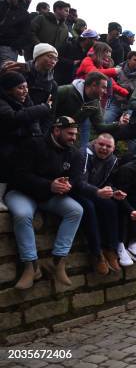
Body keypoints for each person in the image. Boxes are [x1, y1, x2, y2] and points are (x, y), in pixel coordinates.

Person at [5, 116, 85, 289]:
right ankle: (31, 266)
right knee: (22, 214)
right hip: (22, 193)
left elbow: (78, 178)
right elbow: (19, 175)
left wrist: (68, 185)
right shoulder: (33, 145)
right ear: (56, 131)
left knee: (76, 210)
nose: (74, 138)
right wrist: (49, 184)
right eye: (70, 133)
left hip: (48, 197)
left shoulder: (75, 153)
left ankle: (57, 261)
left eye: (75, 134)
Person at [74, 133, 127, 274]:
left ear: (113, 148)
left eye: (108, 146)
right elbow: (78, 183)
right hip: (77, 192)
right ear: (95, 143)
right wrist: (98, 192)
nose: (104, 148)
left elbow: (109, 181)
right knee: (89, 208)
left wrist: (113, 191)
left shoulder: (113, 160)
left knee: (111, 205)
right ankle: (96, 253)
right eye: (101, 144)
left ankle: (110, 249)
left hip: (96, 192)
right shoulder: (83, 154)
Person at [0, 72, 52, 210]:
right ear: (9, 89)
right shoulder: (2, 101)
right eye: (21, 88)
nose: (25, 91)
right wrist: (43, 108)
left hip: (20, 141)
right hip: (5, 142)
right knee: (6, 155)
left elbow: (33, 122)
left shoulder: (25, 100)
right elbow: (13, 118)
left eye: (26, 87)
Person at [53, 71, 129, 148]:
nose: (106, 92)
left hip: (69, 140)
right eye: (103, 88)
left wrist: (119, 124)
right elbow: (47, 111)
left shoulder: (95, 103)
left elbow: (100, 127)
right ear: (94, 85)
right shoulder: (66, 91)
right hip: (50, 134)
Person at [106, 51, 136, 123]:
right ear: (128, 60)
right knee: (106, 121)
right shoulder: (117, 70)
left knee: (126, 125)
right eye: (135, 60)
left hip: (130, 106)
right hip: (115, 102)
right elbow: (110, 85)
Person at [0, 0, 30, 66]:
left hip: (9, 48)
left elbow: (26, 33)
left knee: (6, 73)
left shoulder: (24, 13)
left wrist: (15, 45)